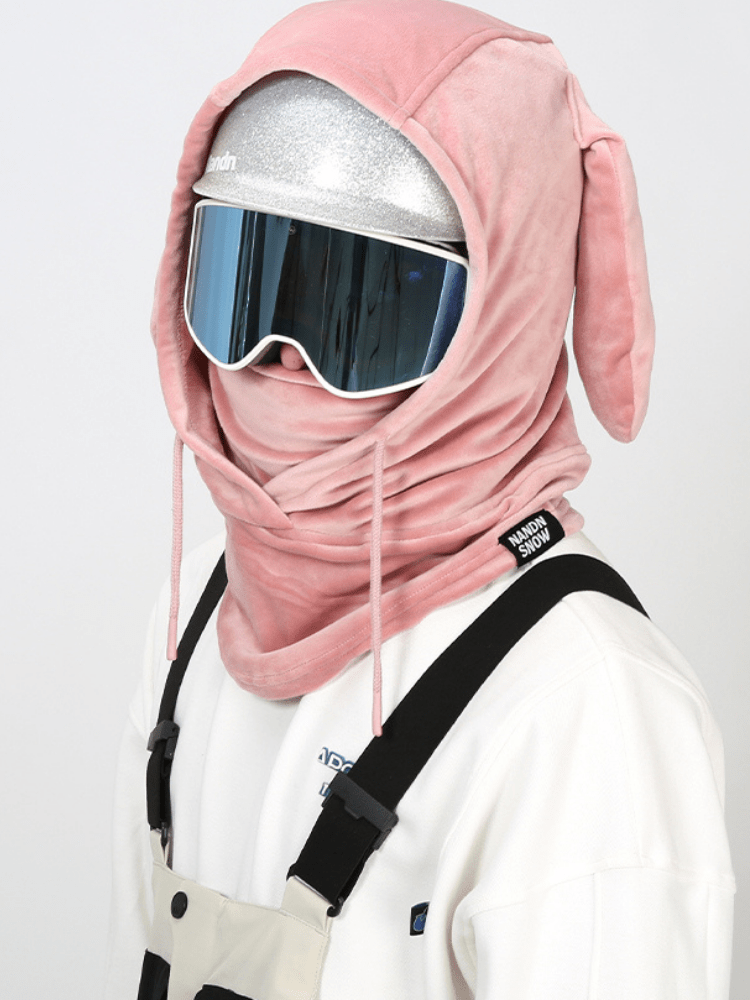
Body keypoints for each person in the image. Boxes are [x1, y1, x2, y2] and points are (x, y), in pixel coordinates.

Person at [105, 2, 735, 997]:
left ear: (499, 323)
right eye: (250, 286)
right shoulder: (196, 611)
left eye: (356, 311)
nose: (281, 360)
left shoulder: (582, 708)